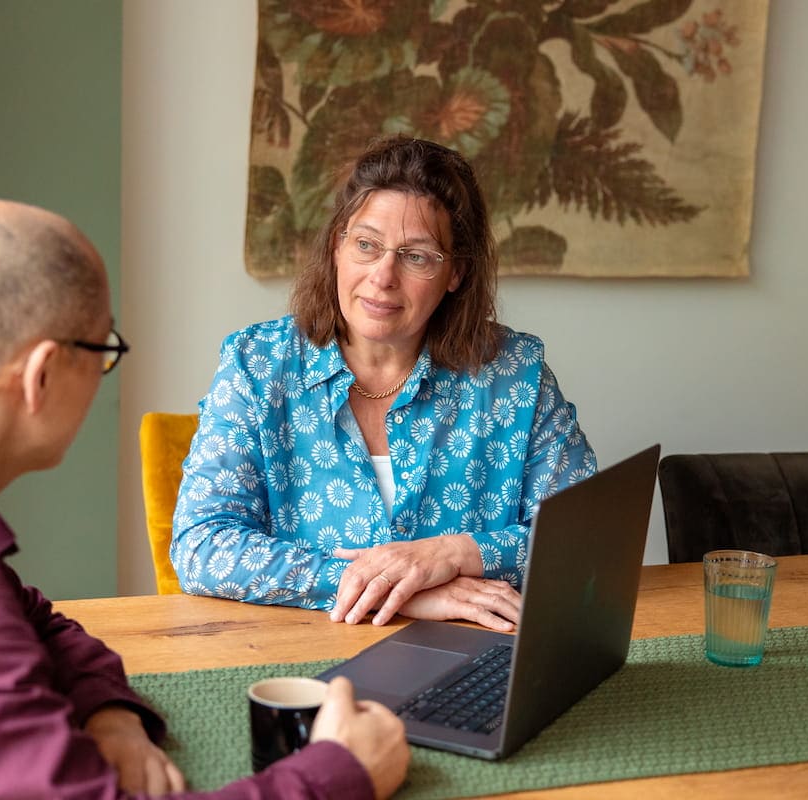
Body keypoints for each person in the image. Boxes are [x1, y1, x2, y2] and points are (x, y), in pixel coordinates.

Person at [0, 199, 409, 799]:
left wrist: (108, 713)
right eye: (105, 351)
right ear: (41, 374)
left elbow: (32, 621)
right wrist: (338, 773)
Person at [173, 137, 597, 631]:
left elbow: (587, 539)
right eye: (366, 245)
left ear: (455, 272)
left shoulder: (516, 375)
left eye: (416, 256)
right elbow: (202, 545)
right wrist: (397, 592)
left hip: (475, 661)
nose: (382, 277)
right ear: (337, 245)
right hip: (298, 660)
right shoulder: (256, 365)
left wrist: (455, 553)